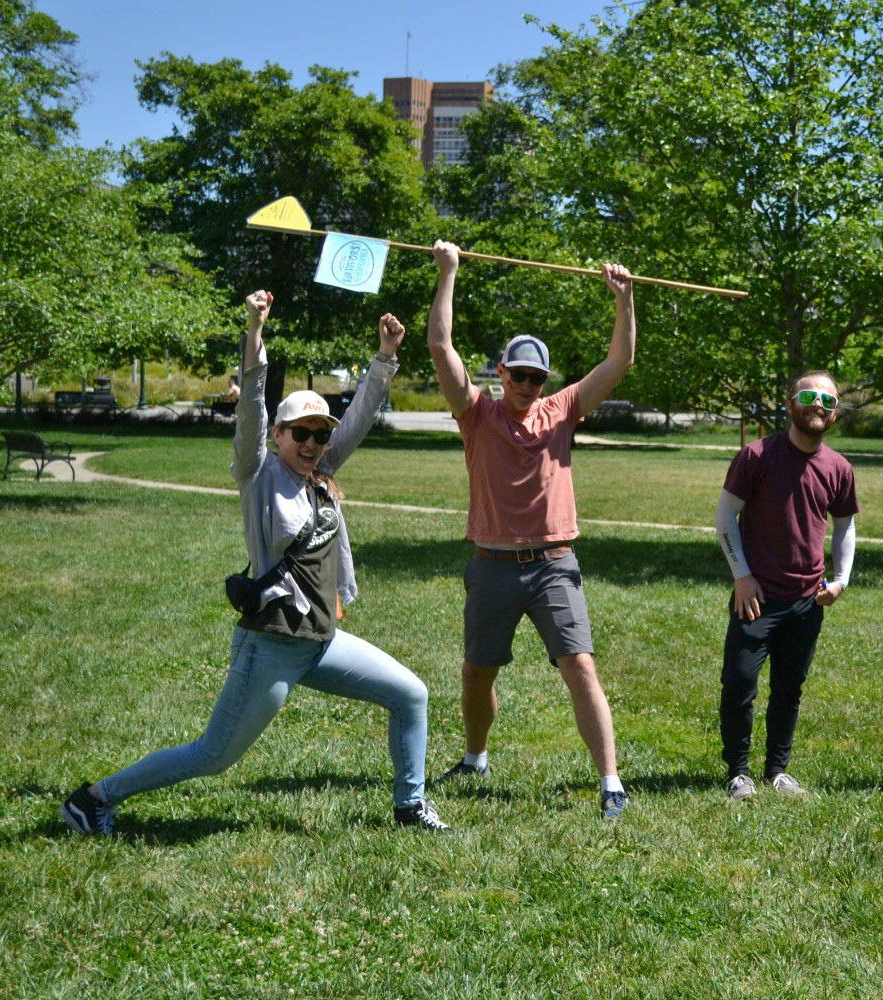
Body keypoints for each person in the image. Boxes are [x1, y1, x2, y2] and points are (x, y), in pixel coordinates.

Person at [62, 291, 450, 835]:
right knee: (212, 755)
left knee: (411, 693)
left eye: (320, 434)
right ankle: (94, 799)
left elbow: (358, 417)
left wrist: (385, 357)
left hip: (320, 639)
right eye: (302, 433)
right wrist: (254, 331)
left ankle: (410, 807)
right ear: (278, 435)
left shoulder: (321, 472)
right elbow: (250, 409)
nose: (313, 443)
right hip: (270, 644)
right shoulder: (259, 473)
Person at [424, 239, 635, 820]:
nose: (526, 384)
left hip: (553, 564)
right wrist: (449, 273)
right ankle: (474, 757)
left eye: (535, 377)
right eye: (518, 374)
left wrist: (625, 301)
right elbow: (440, 345)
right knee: (477, 671)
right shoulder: (477, 413)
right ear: (501, 372)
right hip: (491, 563)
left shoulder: (563, 409)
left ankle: (611, 782)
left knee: (581, 664)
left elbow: (619, 364)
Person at [715, 372, 860, 800]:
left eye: (828, 401)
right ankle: (738, 772)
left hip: (806, 600)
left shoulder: (838, 468)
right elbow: (726, 517)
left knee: (789, 688)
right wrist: (741, 575)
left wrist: (840, 581)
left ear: (835, 413)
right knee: (739, 683)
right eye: (810, 396)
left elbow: (845, 525)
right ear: (790, 403)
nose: (819, 405)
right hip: (756, 598)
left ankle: (777, 770)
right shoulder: (756, 456)